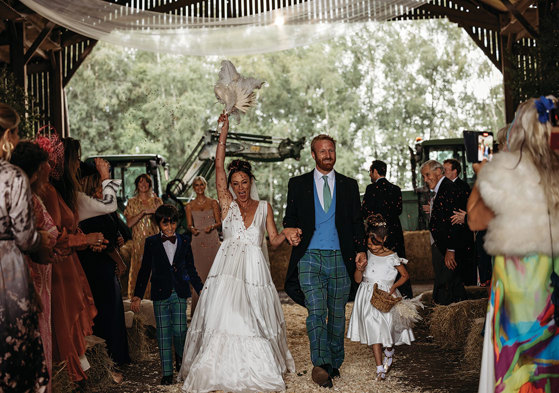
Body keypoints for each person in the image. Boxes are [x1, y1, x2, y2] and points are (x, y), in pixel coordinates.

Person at [179, 113, 295, 392]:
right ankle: (219, 369)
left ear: (250, 182)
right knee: (227, 318)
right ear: (229, 186)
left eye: (244, 182)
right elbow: (218, 164)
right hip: (228, 272)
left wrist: (288, 234)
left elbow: (275, 240)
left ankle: (255, 368)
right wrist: (223, 131)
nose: (240, 187)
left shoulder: (264, 207)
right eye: (235, 183)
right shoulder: (227, 204)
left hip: (254, 270)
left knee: (253, 320)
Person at [468, 96, 559, 392]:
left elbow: (475, 220)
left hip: (518, 289)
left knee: (518, 365)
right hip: (552, 287)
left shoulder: (506, 172)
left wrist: (482, 175)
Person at [283, 134, 366, 388]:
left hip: (341, 258)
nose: (327, 154)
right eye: (322, 151)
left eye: (331, 150)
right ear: (313, 154)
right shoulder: (298, 184)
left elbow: (356, 223)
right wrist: (289, 230)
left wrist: (361, 250)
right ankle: (320, 364)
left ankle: (334, 362)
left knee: (337, 313)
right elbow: (290, 218)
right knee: (317, 310)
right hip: (309, 257)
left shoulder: (349, 185)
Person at [39, 136, 105, 382]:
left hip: (70, 265)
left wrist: (89, 239)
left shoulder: (62, 191)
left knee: (71, 324)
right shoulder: (49, 191)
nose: (78, 165)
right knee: (65, 324)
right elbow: (55, 236)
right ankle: (71, 378)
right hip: (58, 268)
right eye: (76, 159)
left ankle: (77, 377)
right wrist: (85, 240)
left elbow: (67, 229)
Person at [0, 104, 50, 393]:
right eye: (17, 133)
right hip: (7, 270)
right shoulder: (13, 176)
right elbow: (25, 237)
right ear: (8, 134)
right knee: (15, 349)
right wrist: (41, 238)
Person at [131, 204, 203, 385]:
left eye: (172, 223)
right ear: (158, 225)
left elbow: (190, 268)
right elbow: (144, 269)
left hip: (179, 292)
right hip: (159, 293)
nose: (169, 227)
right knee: (163, 334)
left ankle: (180, 356)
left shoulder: (185, 240)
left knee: (180, 330)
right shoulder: (152, 242)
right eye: (165, 224)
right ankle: (167, 373)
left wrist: (200, 288)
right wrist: (137, 295)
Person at [10, 141, 58, 393]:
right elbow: (27, 238)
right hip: (26, 279)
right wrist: (43, 237)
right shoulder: (25, 197)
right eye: (46, 164)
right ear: (38, 170)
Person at [347, 214, 414, 381]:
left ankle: (389, 349)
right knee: (373, 329)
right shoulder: (365, 255)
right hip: (367, 295)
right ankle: (379, 368)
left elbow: (405, 276)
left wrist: (394, 287)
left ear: (384, 239)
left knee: (386, 328)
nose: (372, 247)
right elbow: (357, 280)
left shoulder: (393, 257)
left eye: (375, 243)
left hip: (386, 296)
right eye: (369, 243)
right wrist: (359, 269)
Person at [78, 170, 131, 371]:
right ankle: (111, 357)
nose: (102, 190)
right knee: (107, 312)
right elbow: (105, 243)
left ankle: (117, 357)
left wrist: (120, 239)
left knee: (114, 311)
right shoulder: (91, 212)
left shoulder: (104, 211)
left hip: (106, 264)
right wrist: (120, 261)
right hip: (97, 264)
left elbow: (120, 233)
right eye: (99, 187)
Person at [361, 159, 413, 298]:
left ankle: (377, 295)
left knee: (377, 263)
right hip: (394, 232)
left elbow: (365, 211)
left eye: (370, 172)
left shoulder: (371, 189)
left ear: (375, 171)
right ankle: (403, 295)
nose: (370, 175)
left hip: (376, 235)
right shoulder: (395, 189)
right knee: (397, 261)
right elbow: (399, 210)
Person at [420, 159, 467, 305]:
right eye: (423, 176)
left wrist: (450, 249)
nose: (426, 179)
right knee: (451, 282)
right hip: (441, 246)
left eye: (428, 175)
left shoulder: (449, 189)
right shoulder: (440, 190)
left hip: (447, 248)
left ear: (439, 171)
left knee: (445, 284)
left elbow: (455, 222)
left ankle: (444, 314)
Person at [184, 175, 221, 316]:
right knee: (198, 275)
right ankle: (198, 313)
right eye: (196, 185)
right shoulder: (189, 206)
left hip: (212, 240)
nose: (199, 187)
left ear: (205, 186)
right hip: (197, 242)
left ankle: (215, 312)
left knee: (213, 274)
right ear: (194, 188)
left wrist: (212, 226)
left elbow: (219, 222)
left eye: (201, 185)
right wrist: (192, 228)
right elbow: (188, 225)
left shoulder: (213, 203)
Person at [124, 173, 163, 299]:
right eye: (140, 182)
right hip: (139, 242)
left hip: (154, 241)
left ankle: (156, 300)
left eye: (146, 182)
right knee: (139, 270)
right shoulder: (132, 202)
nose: (143, 184)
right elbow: (129, 223)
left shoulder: (157, 201)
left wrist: (157, 211)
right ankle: (137, 301)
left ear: (150, 185)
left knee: (154, 270)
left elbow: (163, 223)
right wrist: (143, 213)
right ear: (137, 185)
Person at [443, 158, 476, 286]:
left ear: (455, 171)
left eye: (446, 170)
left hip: (461, 235)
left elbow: (458, 213)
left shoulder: (461, 187)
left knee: (463, 270)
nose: (444, 173)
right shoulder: (448, 187)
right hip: (454, 234)